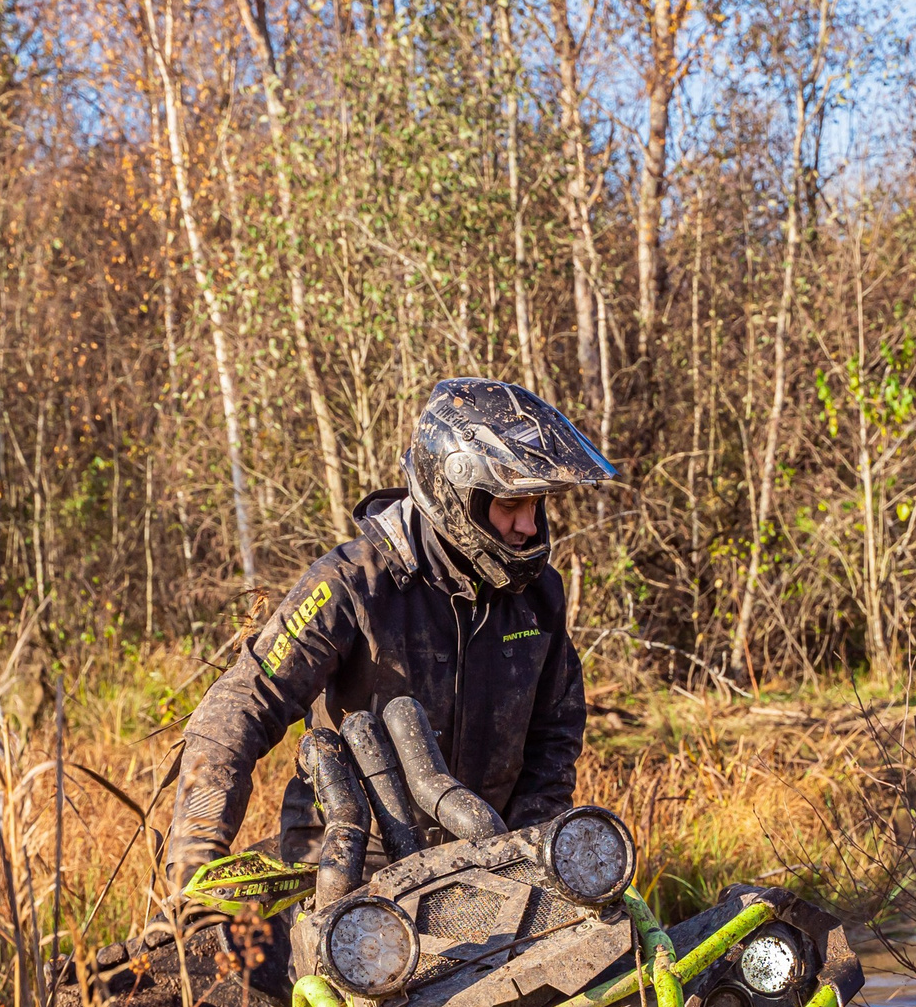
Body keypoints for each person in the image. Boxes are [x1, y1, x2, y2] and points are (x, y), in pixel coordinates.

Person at [164, 377, 617, 896]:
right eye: (510, 506)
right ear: (457, 492)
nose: (529, 527)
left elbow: (555, 735)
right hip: (349, 862)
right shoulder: (353, 584)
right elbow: (242, 705)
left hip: (485, 860)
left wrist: (528, 853)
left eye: (536, 504)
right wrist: (192, 867)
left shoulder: (539, 595)